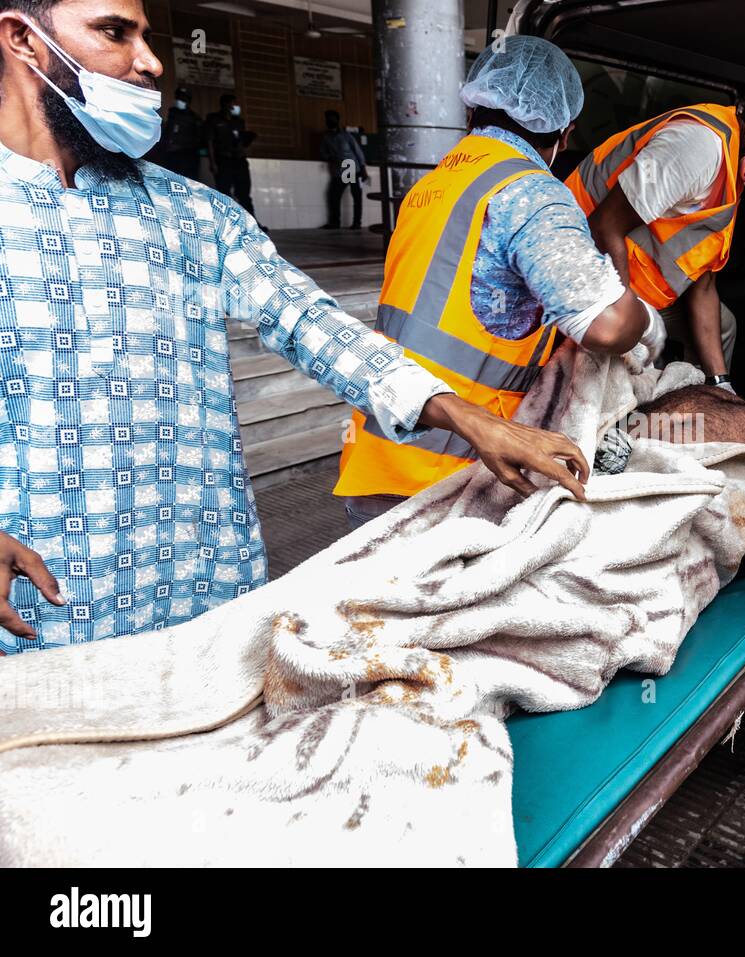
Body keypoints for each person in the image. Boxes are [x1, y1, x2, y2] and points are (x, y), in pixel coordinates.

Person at [0, 0, 589, 654]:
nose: (150, 61)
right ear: (22, 40)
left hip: (210, 598)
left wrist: (471, 418)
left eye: (143, 33)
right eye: (115, 33)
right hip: (44, 613)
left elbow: (313, 325)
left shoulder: (195, 214)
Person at [333, 35, 655, 529]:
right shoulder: (529, 193)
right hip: (450, 475)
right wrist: (646, 319)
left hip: (379, 451)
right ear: (564, 133)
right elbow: (608, 326)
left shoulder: (434, 185)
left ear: (472, 112)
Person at [566, 80, 745, 392]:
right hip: (577, 269)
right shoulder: (700, 146)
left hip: (636, 285)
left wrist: (721, 384)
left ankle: (703, 401)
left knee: (723, 324)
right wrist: (626, 323)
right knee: (628, 357)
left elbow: (703, 284)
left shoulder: (734, 167)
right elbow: (604, 226)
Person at [205, 91, 254, 215]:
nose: (236, 106)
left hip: (239, 161)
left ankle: (252, 222)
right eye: (234, 104)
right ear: (226, 105)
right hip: (223, 160)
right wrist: (213, 163)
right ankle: (227, 222)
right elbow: (209, 141)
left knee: (244, 193)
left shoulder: (239, 121)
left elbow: (241, 141)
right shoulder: (213, 119)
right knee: (224, 193)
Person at [320, 109, 366, 229]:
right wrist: (330, 158)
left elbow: (357, 151)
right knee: (334, 195)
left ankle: (357, 223)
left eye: (332, 119)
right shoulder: (326, 137)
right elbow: (323, 153)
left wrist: (363, 168)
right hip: (339, 168)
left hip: (350, 167)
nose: (330, 121)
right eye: (328, 119)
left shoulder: (346, 135)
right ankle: (335, 222)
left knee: (355, 195)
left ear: (337, 120)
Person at [159, 83, 201, 178]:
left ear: (188, 101)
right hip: (170, 157)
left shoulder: (194, 118)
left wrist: (181, 146)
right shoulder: (172, 114)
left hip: (187, 158)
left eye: (183, 98)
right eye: (178, 97)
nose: (179, 100)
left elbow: (199, 141)